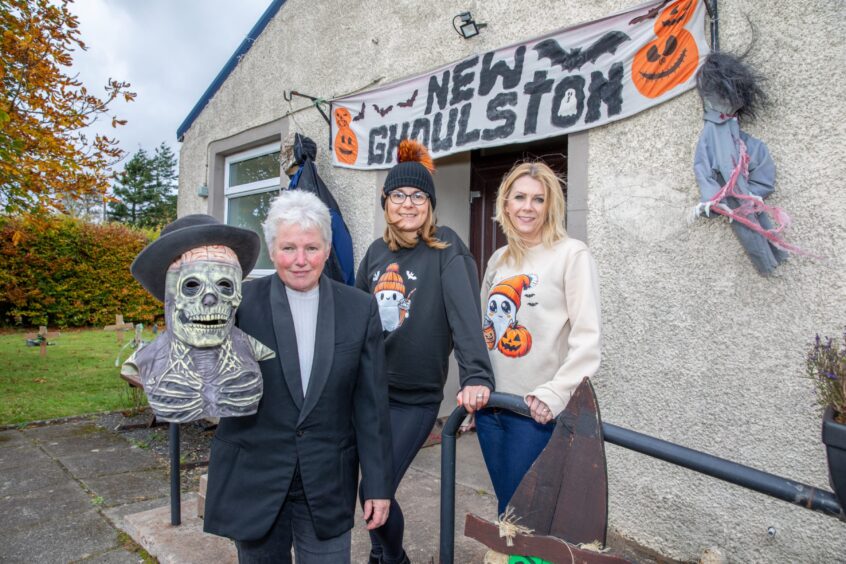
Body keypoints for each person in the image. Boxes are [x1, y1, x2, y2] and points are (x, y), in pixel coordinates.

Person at [203, 190, 393, 564]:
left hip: (327, 481)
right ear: (272, 252)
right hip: (257, 479)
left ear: (327, 250)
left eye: (312, 248)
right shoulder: (237, 303)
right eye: (289, 248)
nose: (301, 260)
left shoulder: (360, 308)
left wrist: (378, 485)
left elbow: (371, 405)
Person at [356, 139, 495, 564]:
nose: (408, 204)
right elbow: (355, 320)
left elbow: (466, 318)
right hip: (367, 392)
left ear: (430, 205)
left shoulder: (446, 248)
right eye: (398, 195)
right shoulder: (376, 253)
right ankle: (383, 556)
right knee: (360, 487)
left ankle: (392, 559)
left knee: (375, 488)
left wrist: (476, 376)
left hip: (412, 398)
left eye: (418, 196)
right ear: (386, 203)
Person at [475, 161, 602, 516]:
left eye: (538, 199)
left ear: (550, 206)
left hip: (534, 412)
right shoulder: (499, 259)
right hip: (492, 408)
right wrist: (477, 386)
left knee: (529, 513)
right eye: (519, 197)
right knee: (506, 507)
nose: (527, 207)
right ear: (505, 204)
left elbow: (587, 340)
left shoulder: (571, 255)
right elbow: (484, 333)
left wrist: (554, 394)